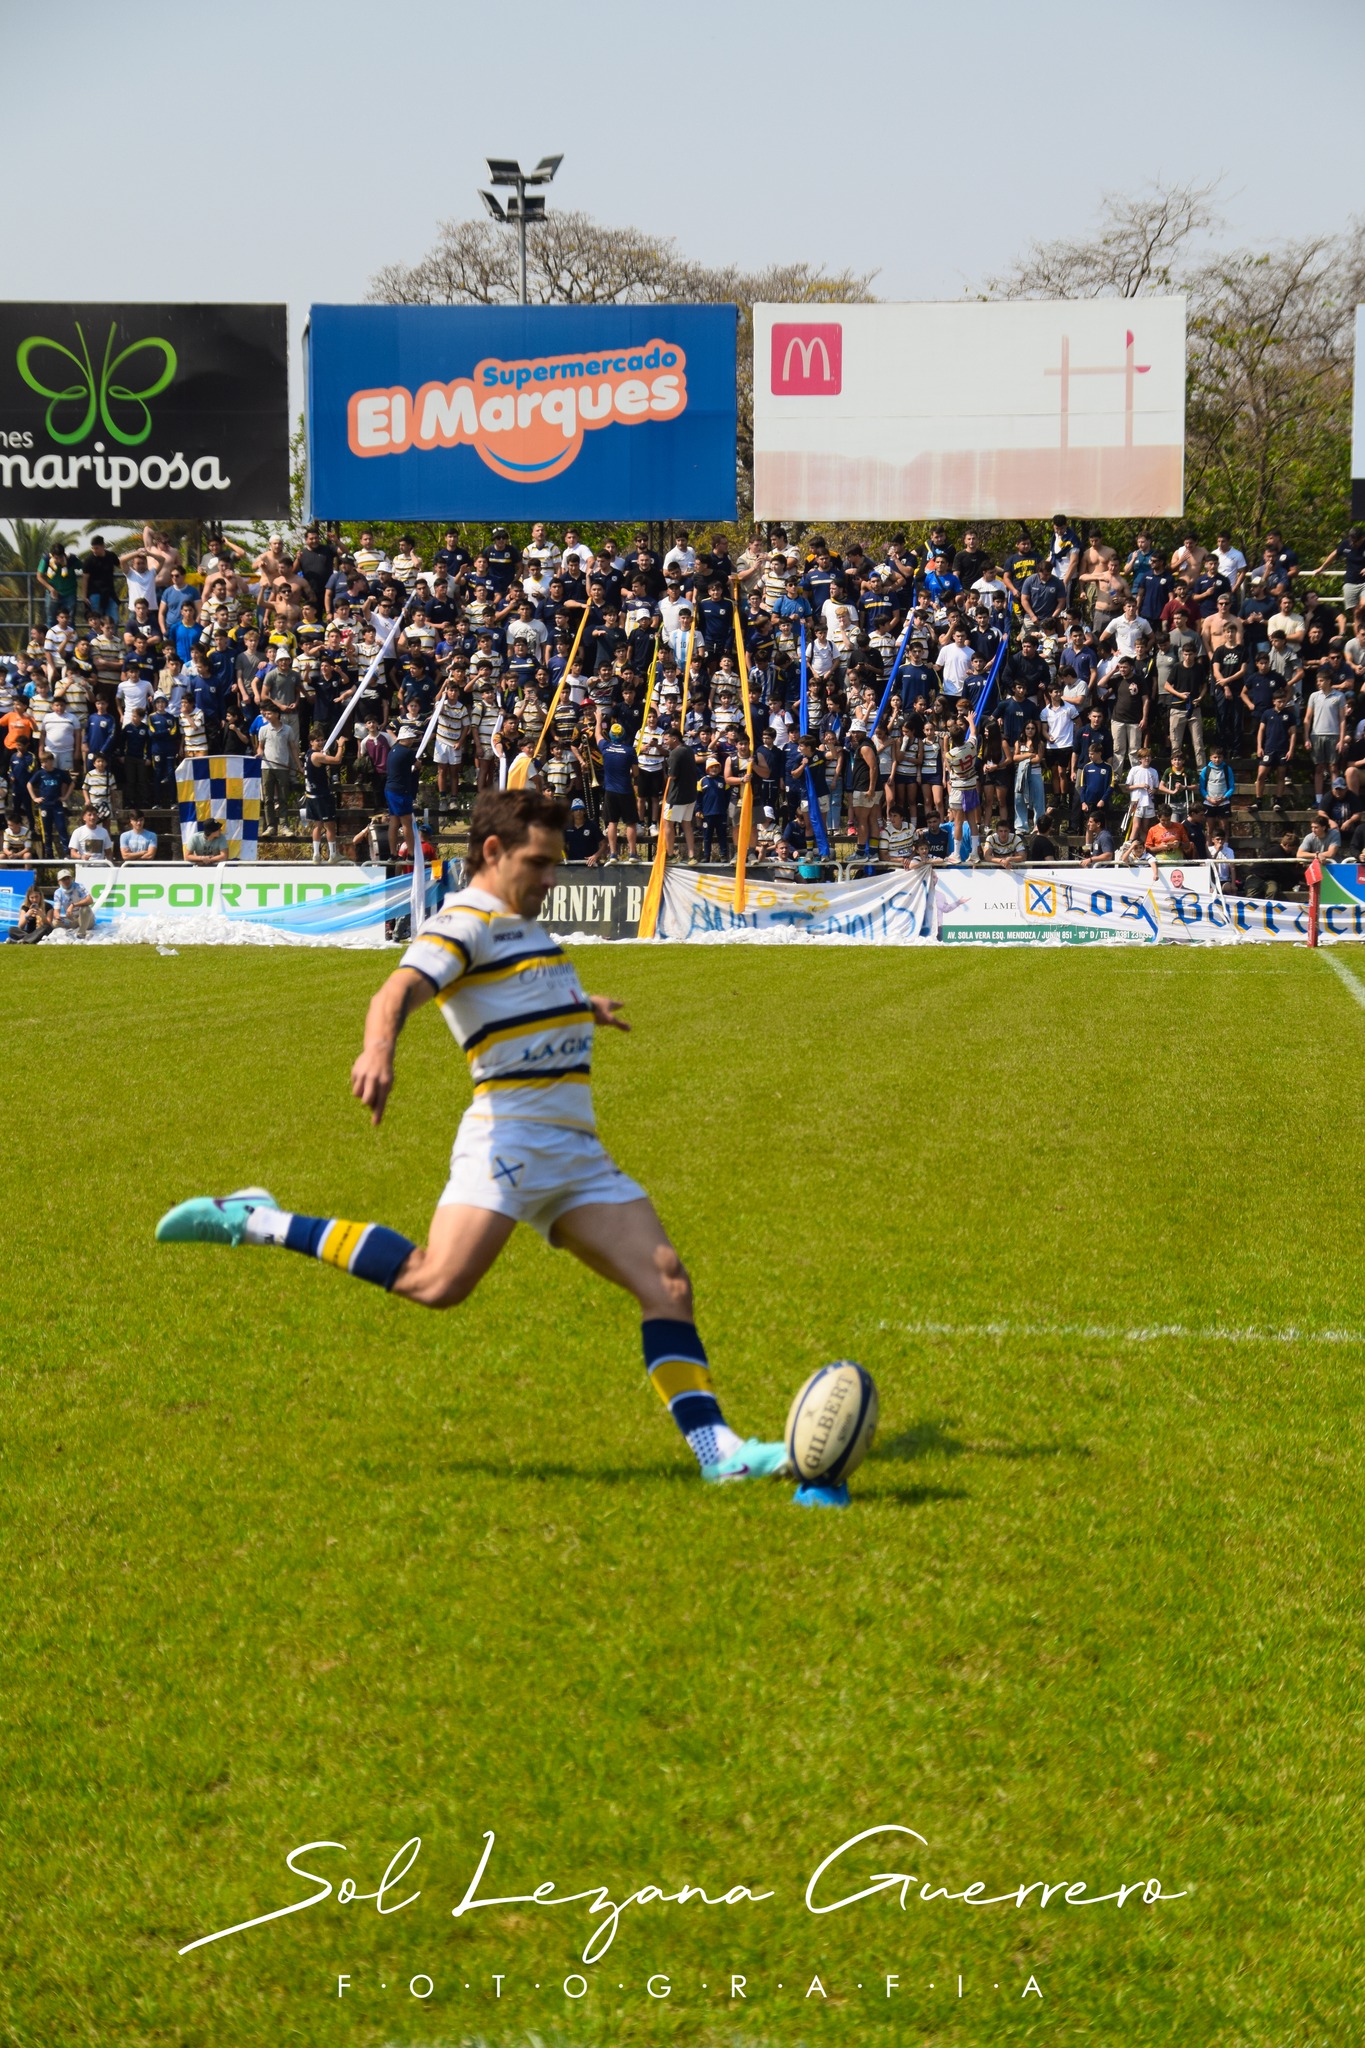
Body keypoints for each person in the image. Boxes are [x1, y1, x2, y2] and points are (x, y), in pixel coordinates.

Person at [155, 788, 788, 1488]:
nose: (551, 879)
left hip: (576, 1148)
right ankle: (258, 1219)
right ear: (492, 852)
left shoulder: (525, 926)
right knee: (437, 1282)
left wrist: (583, 1007)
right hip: (508, 1138)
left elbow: (518, 995)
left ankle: (718, 1454)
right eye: (539, 863)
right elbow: (394, 991)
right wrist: (378, 1050)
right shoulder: (464, 922)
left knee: (667, 1283)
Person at [51, 866, 95, 935]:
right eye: (63, 879)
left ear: (71, 878)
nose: (66, 881)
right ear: (59, 882)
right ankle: (75, 928)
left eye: (68, 878)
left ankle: (82, 932)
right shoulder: (58, 892)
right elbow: (56, 911)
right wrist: (58, 917)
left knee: (85, 908)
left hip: (84, 918)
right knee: (55, 923)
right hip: (71, 919)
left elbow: (90, 900)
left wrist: (73, 905)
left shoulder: (79, 887)